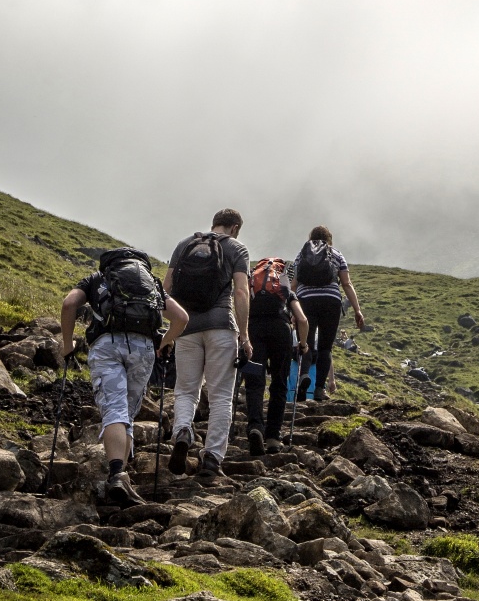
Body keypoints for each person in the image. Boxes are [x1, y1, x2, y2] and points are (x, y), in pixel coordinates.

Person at [60, 249, 187, 507]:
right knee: (127, 413)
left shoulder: (97, 278)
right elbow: (182, 318)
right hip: (143, 349)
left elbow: (69, 304)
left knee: (114, 409)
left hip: (107, 345)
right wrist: (165, 341)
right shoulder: (151, 285)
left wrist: (67, 345)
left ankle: (117, 473)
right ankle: (122, 479)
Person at [163, 208, 252, 485]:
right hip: (221, 327)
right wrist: (245, 335)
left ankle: (181, 433)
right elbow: (240, 291)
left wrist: (171, 330)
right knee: (221, 396)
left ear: (214, 223)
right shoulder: (237, 248)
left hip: (187, 328)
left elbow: (165, 289)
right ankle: (212, 457)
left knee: (186, 390)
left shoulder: (185, 245)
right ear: (235, 227)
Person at [240, 257, 310, 455]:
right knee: (279, 384)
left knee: (254, 383)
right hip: (281, 333)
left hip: (253, 332)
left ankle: (255, 427)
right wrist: (303, 345)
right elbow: (302, 320)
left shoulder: (251, 286)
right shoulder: (286, 291)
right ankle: (272, 438)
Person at [292, 225, 365, 403]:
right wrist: (357, 310)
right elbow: (347, 284)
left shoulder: (301, 255)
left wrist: (290, 308)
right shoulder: (337, 254)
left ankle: (304, 377)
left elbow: (293, 284)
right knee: (325, 347)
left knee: (306, 343)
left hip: (306, 301)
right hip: (331, 301)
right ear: (329, 239)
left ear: (310, 238)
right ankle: (319, 389)